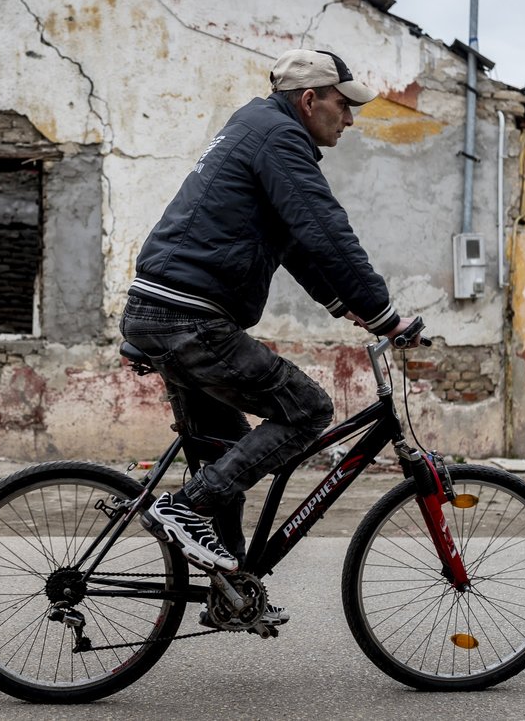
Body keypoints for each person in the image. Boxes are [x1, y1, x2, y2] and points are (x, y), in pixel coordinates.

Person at [121, 48, 420, 623]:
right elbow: (328, 231)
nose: (349, 120)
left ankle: (229, 591)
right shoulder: (279, 141)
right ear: (309, 100)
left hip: (166, 312)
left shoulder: (259, 131)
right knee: (307, 409)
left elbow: (305, 248)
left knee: (227, 451)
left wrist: (346, 307)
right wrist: (383, 314)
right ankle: (183, 511)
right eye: (342, 106)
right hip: (189, 319)